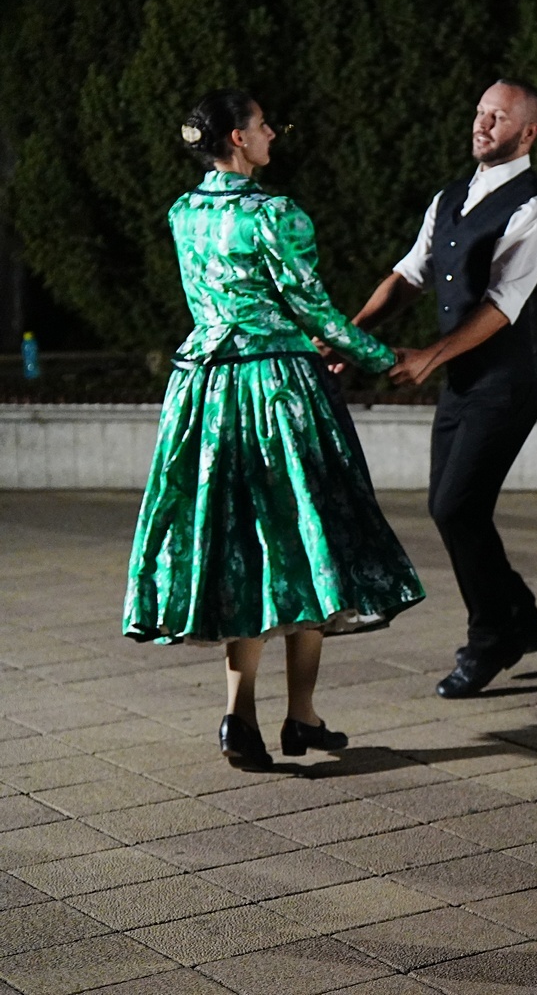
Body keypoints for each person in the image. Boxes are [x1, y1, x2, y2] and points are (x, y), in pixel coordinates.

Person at [124, 90, 424, 770]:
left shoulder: (183, 212)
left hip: (206, 391)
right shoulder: (275, 214)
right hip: (276, 390)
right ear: (238, 137)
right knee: (305, 538)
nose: (272, 136)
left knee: (244, 545)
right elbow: (313, 309)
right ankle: (292, 713)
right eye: (264, 127)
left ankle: (255, 717)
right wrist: (383, 359)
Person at [349, 80, 537, 698]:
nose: (483, 123)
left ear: (527, 133)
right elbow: (409, 274)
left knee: (455, 507)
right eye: (480, 112)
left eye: (499, 117)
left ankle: (491, 636)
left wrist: (429, 357)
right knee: (452, 508)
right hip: (465, 377)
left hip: (509, 379)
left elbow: (503, 305)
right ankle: (516, 614)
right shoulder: (450, 197)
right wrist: (348, 337)